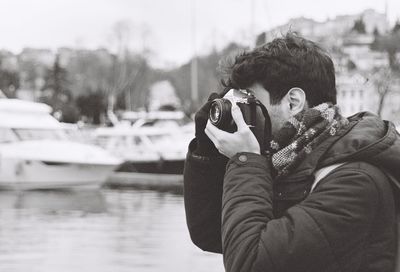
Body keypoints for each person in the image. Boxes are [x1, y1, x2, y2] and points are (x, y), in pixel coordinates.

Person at [183, 32, 400, 272]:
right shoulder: (290, 160)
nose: (246, 113)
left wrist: (244, 160)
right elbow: (211, 233)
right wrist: (207, 152)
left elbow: (249, 263)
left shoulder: (357, 180)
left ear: (293, 102)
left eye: (252, 101)